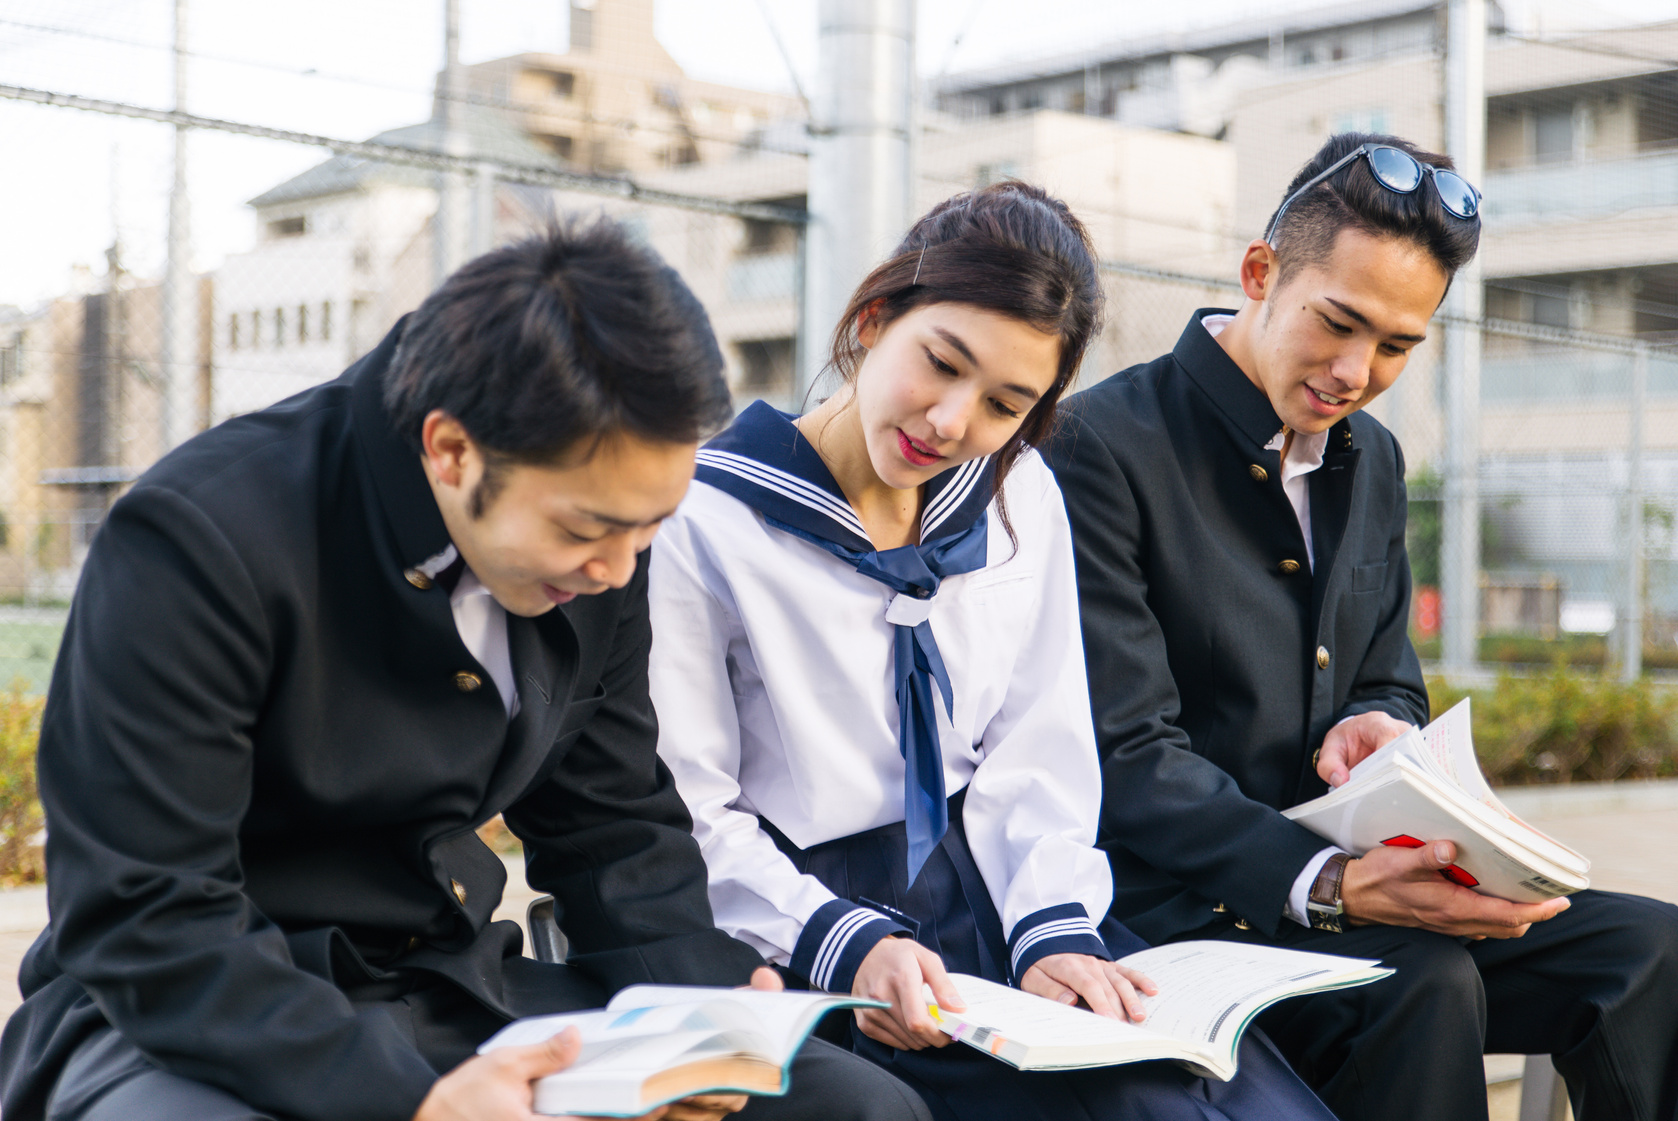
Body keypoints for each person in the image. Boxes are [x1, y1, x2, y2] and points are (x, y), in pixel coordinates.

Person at [0, 219, 933, 1121]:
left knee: (853, 1103)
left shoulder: (603, 529)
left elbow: (609, 819)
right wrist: (412, 1103)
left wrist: (710, 1024)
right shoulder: (200, 538)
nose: (618, 567)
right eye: (586, 529)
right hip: (192, 1015)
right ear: (450, 450)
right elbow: (148, 917)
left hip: (445, 986)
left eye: (652, 525)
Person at [646, 182, 1335, 1121]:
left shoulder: (1019, 500)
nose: (950, 422)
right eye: (941, 362)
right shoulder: (705, 520)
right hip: (817, 925)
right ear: (875, 315)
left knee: (1211, 1094)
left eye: (1006, 403)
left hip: (1004, 893)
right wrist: (844, 942)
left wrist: (1052, 931)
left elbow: (1037, 744)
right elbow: (689, 807)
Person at [1044, 131, 1678, 1121]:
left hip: (1364, 893)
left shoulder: (1369, 457)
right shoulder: (1097, 449)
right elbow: (1124, 756)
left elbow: (1388, 673)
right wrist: (1329, 881)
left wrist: (1381, 724)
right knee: (1424, 982)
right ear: (1259, 273)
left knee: (1648, 950)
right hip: (1177, 910)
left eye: (1395, 345)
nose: (1356, 369)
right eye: (1337, 324)